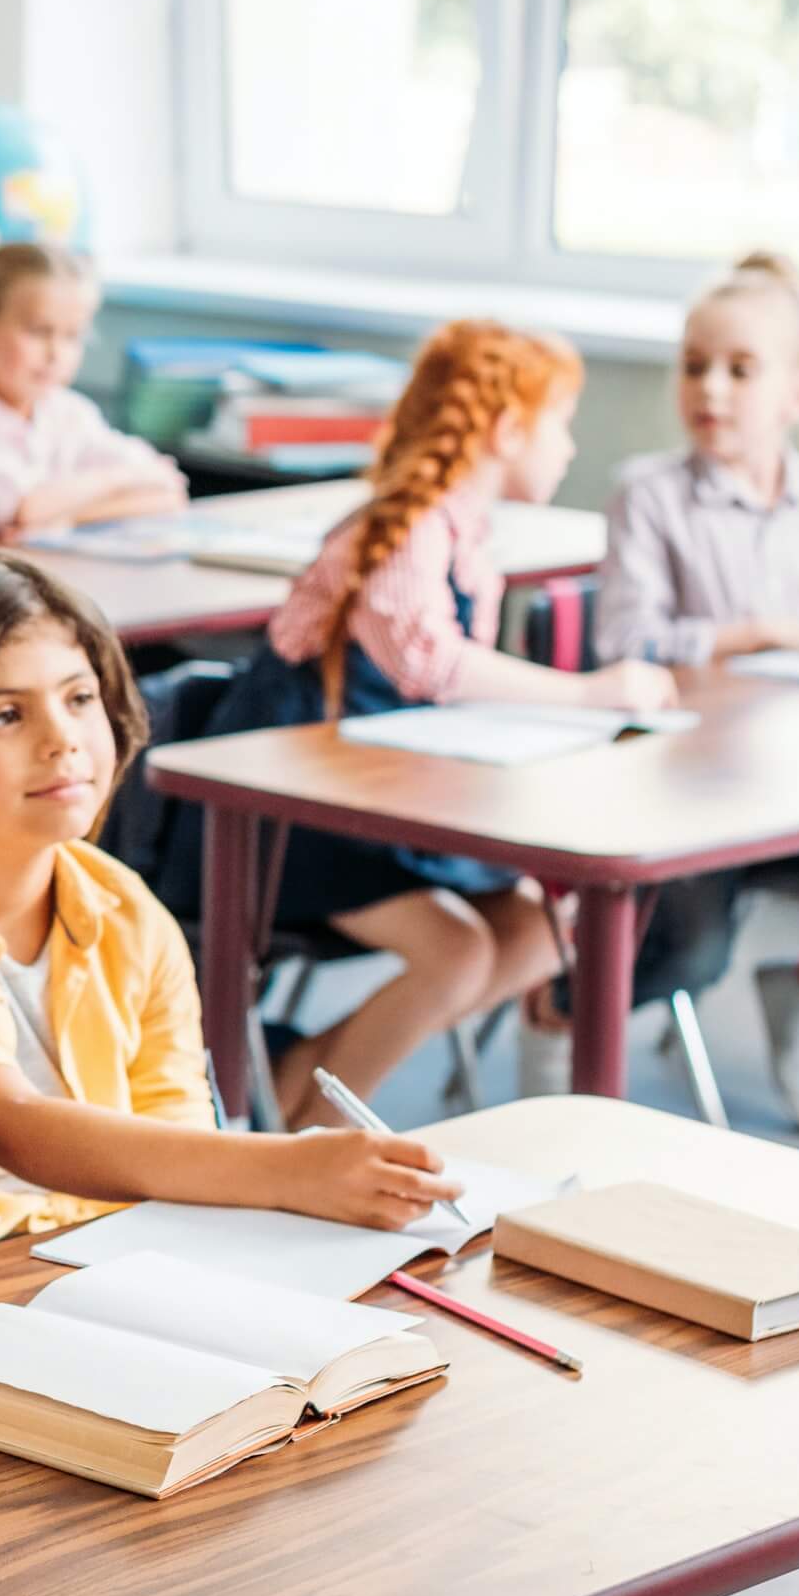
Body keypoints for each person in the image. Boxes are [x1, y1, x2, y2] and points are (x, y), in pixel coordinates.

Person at [0, 553, 462, 1274]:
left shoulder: (127, 912)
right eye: (5, 715)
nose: (62, 739)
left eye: (79, 699)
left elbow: (179, 1144)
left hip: (106, 1245)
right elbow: (6, 1123)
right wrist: (292, 1168)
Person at [192, 321, 677, 1125]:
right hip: (302, 818)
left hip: (398, 805)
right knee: (457, 952)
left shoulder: (466, 534)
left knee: (531, 931)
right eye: (560, 422)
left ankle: (306, 1079)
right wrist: (594, 695)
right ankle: (317, 1120)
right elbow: (431, 666)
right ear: (507, 430)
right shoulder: (406, 528)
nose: (567, 445)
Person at [596, 251, 799, 1130]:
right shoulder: (650, 494)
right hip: (690, 793)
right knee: (683, 954)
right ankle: (555, 1023)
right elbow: (626, 644)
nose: (710, 387)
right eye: (694, 364)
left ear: (798, 392)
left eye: (740, 370)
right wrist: (767, 633)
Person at [0, 233, 187, 540]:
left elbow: (168, 492)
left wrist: (65, 516)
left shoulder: (69, 414)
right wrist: (119, 482)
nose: (55, 354)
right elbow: (24, 508)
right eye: (39, 332)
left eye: (71, 336)